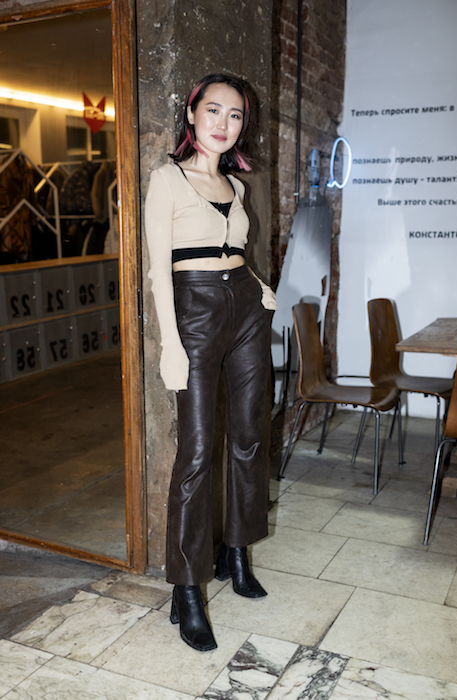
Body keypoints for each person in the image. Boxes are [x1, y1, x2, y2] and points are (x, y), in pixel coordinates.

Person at [145, 74, 276, 652]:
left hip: (246, 309)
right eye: (214, 111)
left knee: (249, 435)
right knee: (197, 452)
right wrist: (170, 345)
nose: (224, 124)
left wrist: (259, 287)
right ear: (192, 115)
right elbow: (159, 270)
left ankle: (236, 554)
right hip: (193, 311)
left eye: (236, 115)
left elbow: (235, 251)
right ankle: (187, 588)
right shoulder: (167, 179)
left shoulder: (236, 185)